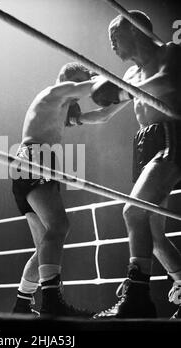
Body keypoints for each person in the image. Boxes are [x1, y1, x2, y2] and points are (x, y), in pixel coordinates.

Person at [78, 11, 181, 319]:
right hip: (144, 143)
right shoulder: (131, 75)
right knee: (152, 233)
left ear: (135, 30)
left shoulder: (170, 52)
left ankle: (137, 297)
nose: (111, 43)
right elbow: (106, 114)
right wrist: (75, 118)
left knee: (132, 211)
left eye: (115, 35)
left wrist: (122, 91)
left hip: (170, 136)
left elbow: (166, 82)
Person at [11, 62, 124, 317]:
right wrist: (121, 81)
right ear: (73, 78)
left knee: (44, 247)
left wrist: (128, 97)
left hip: (34, 161)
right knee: (59, 226)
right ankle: (52, 302)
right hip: (35, 157)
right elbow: (90, 87)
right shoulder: (56, 92)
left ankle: (22, 304)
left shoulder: (59, 107)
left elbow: (100, 116)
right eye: (82, 79)